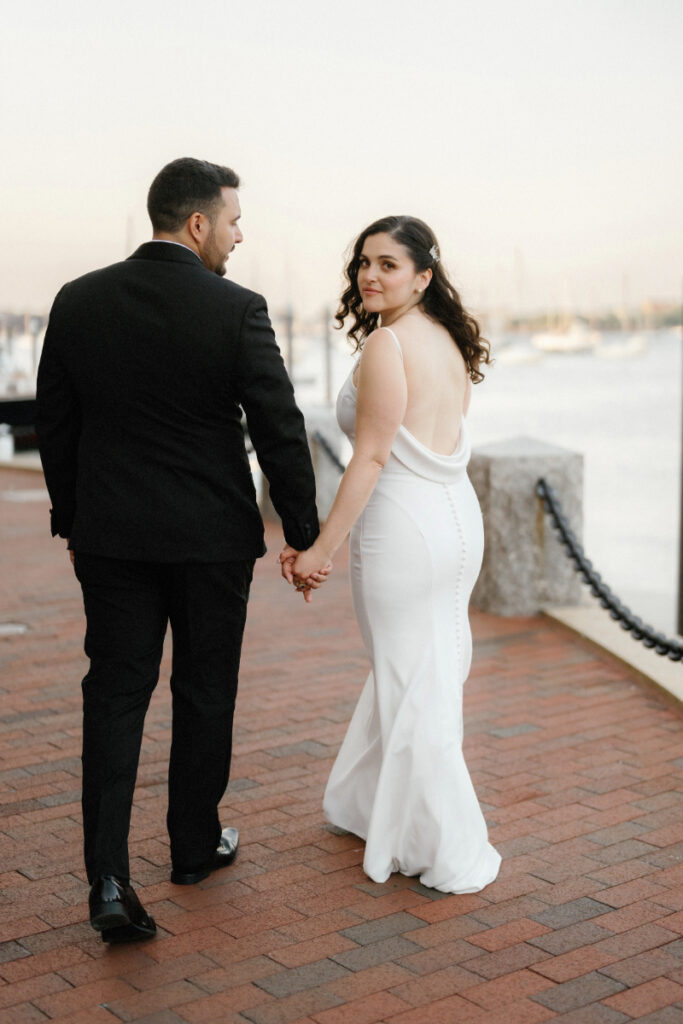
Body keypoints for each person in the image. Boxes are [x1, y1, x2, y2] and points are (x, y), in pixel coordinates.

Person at [36, 158, 320, 943]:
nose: (238, 236)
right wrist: (303, 531)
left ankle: (107, 877)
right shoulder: (236, 308)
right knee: (204, 689)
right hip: (209, 541)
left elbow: (57, 421)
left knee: (115, 695)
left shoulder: (77, 299)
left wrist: (73, 514)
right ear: (198, 224)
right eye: (233, 222)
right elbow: (278, 425)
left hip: (112, 540)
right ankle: (193, 846)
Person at [282, 215, 501, 893]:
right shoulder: (445, 338)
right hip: (455, 520)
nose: (369, 276)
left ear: (423, 276)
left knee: (410, 676)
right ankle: (374, 805)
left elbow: (371, 456)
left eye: (387, 265)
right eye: (363, 263)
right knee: (422, 672)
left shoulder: (387, 346)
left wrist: (321, 546)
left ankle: (442, 842)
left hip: (403, 529)